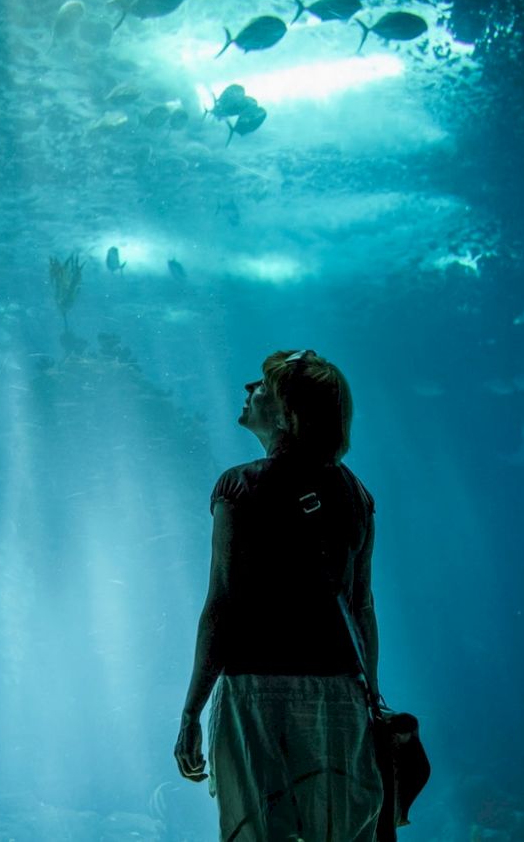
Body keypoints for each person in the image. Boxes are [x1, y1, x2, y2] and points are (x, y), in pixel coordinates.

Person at [174, 349, 383, 842]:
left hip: (255, 693)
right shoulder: (357, 494)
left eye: (262, 386)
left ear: (290, 413)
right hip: (339, 696)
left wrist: (190, 711)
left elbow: (221, 605)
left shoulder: (241, 487)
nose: (249, 388)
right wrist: (370, 697)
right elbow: (362, 606)